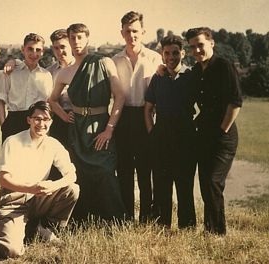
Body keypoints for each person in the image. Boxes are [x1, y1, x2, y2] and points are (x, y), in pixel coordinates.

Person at [49, 23, 126, 223]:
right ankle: (83, 221)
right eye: (72, 38)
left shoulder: (103, 62)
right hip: (78, 129)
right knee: (80, 173)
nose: (76, 42)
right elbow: (52, 100)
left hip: (101, 125)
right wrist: (64, 116)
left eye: (80, 37)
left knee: (105, 172)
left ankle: (112, 221)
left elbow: (120, 96)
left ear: (87, 39)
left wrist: (109, 129)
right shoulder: (65, 73)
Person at [0, 101, 79, 258]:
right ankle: (6, 231)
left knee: (72, 189)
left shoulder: (54, 144)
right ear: (29, 120)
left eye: (46, 119)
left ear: (51, 122)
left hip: (39, 198)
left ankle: (45, 227)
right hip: (14, 200)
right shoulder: (13, 142)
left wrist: (53, 186)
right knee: (12, 252)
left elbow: (71, 175)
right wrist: (31, 188)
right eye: (37, 119)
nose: (41, 124)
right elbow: (4, 180)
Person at [186, 27, 242, 235]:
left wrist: (221, 130)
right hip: (204, 134)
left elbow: (235, 102)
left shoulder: (223, 66)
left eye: (200, 44)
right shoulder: (197, 70)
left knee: (212, 182)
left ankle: (218, 233)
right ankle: (209, 230)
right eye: (192, 47)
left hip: (222, 137)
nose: (197, 50)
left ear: (211, 43)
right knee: (205, 184)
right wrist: (162, 70)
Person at [112, 11, 162, 222]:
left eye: (135, 31)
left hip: (146, 115)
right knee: (123, 169)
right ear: (121, 33)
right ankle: (125, 216)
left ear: (142, 32)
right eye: (127, 31)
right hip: (123, 117)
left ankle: (146, 217)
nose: (131, 35)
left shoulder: (155, 58)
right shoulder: (114, 60)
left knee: (145, 169)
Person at [144, 35, 196, 229]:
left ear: (182, 53)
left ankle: (187, 227)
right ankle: (161, 226)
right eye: (167, 53)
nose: (171, 56)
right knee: (161, 185)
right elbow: (148, 108)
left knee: (185, 186)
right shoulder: (158, 78)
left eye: (175, 52)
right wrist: (152, 133)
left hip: (185, 136)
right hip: (161, 136)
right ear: (162, 55)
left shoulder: (191, 76)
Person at [0, 33, 53, 142]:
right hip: (14, 121)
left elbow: (49, 103)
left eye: (38, 50)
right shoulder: (10, 71)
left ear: (43, 52)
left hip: (37, 122)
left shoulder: (46, 75)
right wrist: (4, 126)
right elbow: (0, 101)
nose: (34, 53)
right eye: (30, 49)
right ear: (23, 49)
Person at [46, 29, 75, 148]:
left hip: (79, 118)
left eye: (63, 47)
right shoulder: (49, 72)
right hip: (58, 119)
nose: (60, 51)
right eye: (56, 48)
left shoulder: (81, 67)